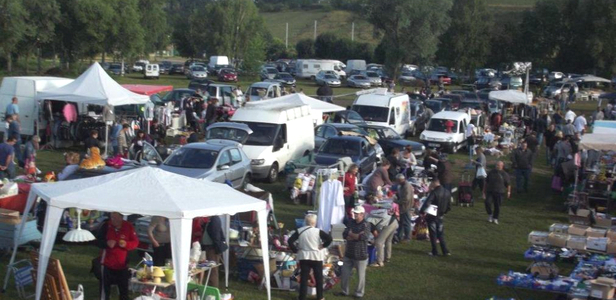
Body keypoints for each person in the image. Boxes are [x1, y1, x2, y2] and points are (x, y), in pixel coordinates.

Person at [288, 214, 332, 300]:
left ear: (306, 221)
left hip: (304, 256)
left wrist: (295, 250)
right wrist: (323, 245)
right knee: (318, 277)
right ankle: (320, 296)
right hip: (316, 257)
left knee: (304, 277)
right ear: (314, 222)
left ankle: (302, 297)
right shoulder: (318, 231)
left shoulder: (299, 230)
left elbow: (290, 241)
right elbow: (329, 239)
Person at [96, 212, 138, 300]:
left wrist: (126, 244)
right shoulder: (106, 226)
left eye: (116, 218)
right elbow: (97, 241)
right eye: (112, 218)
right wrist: (106, 243)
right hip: (107, 264)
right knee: (105, 290)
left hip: (122, 264)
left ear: (121, 218)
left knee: (124, 291)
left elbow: (135, 243)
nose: (113, 220)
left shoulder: (128, 226)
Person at [335, 206, 371, 299]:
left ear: (362, 214)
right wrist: (355, 235)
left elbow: (363, 237)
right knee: (344, 273)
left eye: (357, 214)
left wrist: (351, 234)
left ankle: (359, 293)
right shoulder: (350, 222)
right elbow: (344, 234)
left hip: (360, 255)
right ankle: (344, 291)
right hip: (349, 253)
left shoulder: (366, 224)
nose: (354, 215)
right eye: (354, 213)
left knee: (361, 276)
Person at [419, 179, 451, 256]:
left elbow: (427, 203)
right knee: (440, 233)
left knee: (433, 234)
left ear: (434, 183)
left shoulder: (434, 192)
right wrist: (444, 212)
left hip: (432, 215)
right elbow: (449, 206)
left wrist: (422, 211)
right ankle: (445, 251)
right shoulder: (447, 192)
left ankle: (434, 251)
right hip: (440, 215)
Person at [200, 215, 227, 288]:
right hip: (209, 247)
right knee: (210, 268)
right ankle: (210, 285)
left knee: (213, 269)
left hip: (212, 248)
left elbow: (215, 234)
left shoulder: (215, 219)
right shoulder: (211, 219)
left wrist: (217, 247)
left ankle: (213, 287)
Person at [394, 174, 414, 242]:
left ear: (400, 180)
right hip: (403, 206)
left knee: (406, 222)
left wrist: (397, 201)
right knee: (402, 222)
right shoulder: (402, 185)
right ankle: (399, 236)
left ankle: (407, 237)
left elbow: (406, 198)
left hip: (406, 206)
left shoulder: (406, 186)